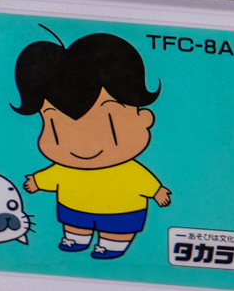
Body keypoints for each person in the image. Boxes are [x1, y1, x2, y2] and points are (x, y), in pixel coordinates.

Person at [15, 32, 171, 259]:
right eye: (56, 126)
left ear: (144, 119)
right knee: (75, 225)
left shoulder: (128, 170)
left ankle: (112, 245)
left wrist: (157, 192)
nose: (82, 143)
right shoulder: (65, 168)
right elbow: (53, 176)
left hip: (122, 210)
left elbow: (143, 180)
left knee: (117, 230)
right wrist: (37, 182)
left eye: (107, 123)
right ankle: (76, 239)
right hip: (74, 208)